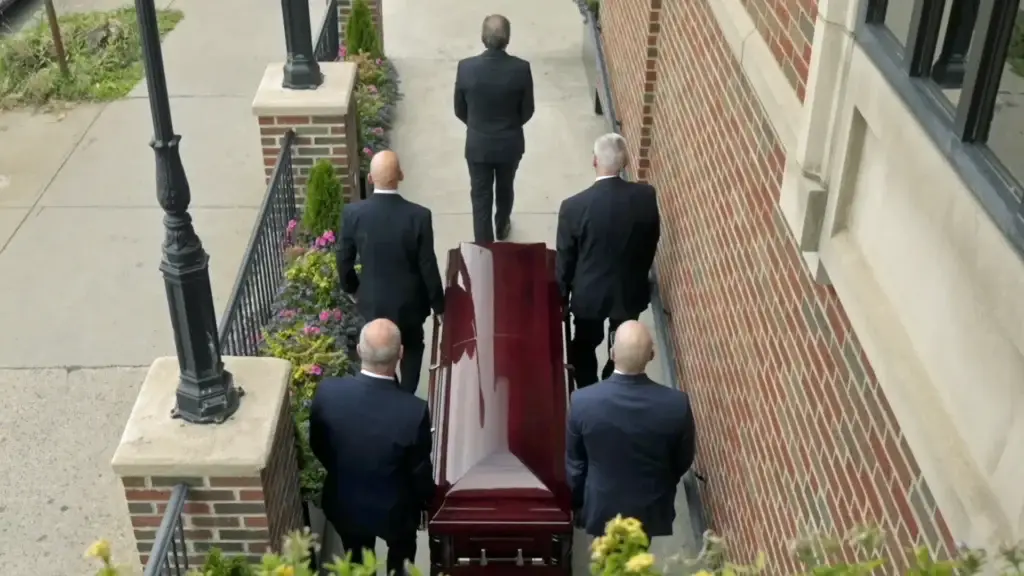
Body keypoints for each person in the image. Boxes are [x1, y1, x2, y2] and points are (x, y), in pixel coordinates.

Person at [309, 319, 436, 576]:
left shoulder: (327, 392)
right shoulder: (414, 411)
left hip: (345, 504)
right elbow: (419, 472)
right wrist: (426, 500)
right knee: (401, 563)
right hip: (395, 511)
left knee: (356, 562)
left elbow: (318, 445)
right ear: (400, 354)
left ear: (359, 350)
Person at [565, 320, 696, 541]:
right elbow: (682, 459)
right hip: (649, 506)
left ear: (612, 353)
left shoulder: (582, 402)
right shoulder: (676, 405)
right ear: (651, 356)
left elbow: (575, 466)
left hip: (601, 505)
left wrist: (578, 503)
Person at [556, 133, 661, 389]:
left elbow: (565, 260)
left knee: (583, 345)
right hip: (628, 292)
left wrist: (562, 298)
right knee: (623, 345)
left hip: (588, 295)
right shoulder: (646, 197)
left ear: (595, 161)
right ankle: (611, 381)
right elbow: (650, 242)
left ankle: (589, 387)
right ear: (624, 162)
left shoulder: (573, 207)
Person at [336, 150, 445, 394]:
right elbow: (427, 264)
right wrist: (439, 306)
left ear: (371, 179)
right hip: (410, 307)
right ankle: (405, 396)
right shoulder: (419, 216)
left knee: (377, 354)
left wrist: (354, 289)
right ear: (401, 176)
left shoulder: (353, 214)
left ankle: (383, 394)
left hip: (373, 304)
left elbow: (344, 260)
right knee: (413, 348)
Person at [454, 14, 535, 243]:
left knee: (480, 197)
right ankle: (502, 226)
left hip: (478, 145)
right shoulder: (521, 69)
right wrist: (510, 126)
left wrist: (477, 126)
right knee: (505, 187)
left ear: (482, 38)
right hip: (509, 144)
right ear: (508, 39)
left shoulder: (466, 68)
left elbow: (459, 109)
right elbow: (528, 109)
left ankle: (485, 248)